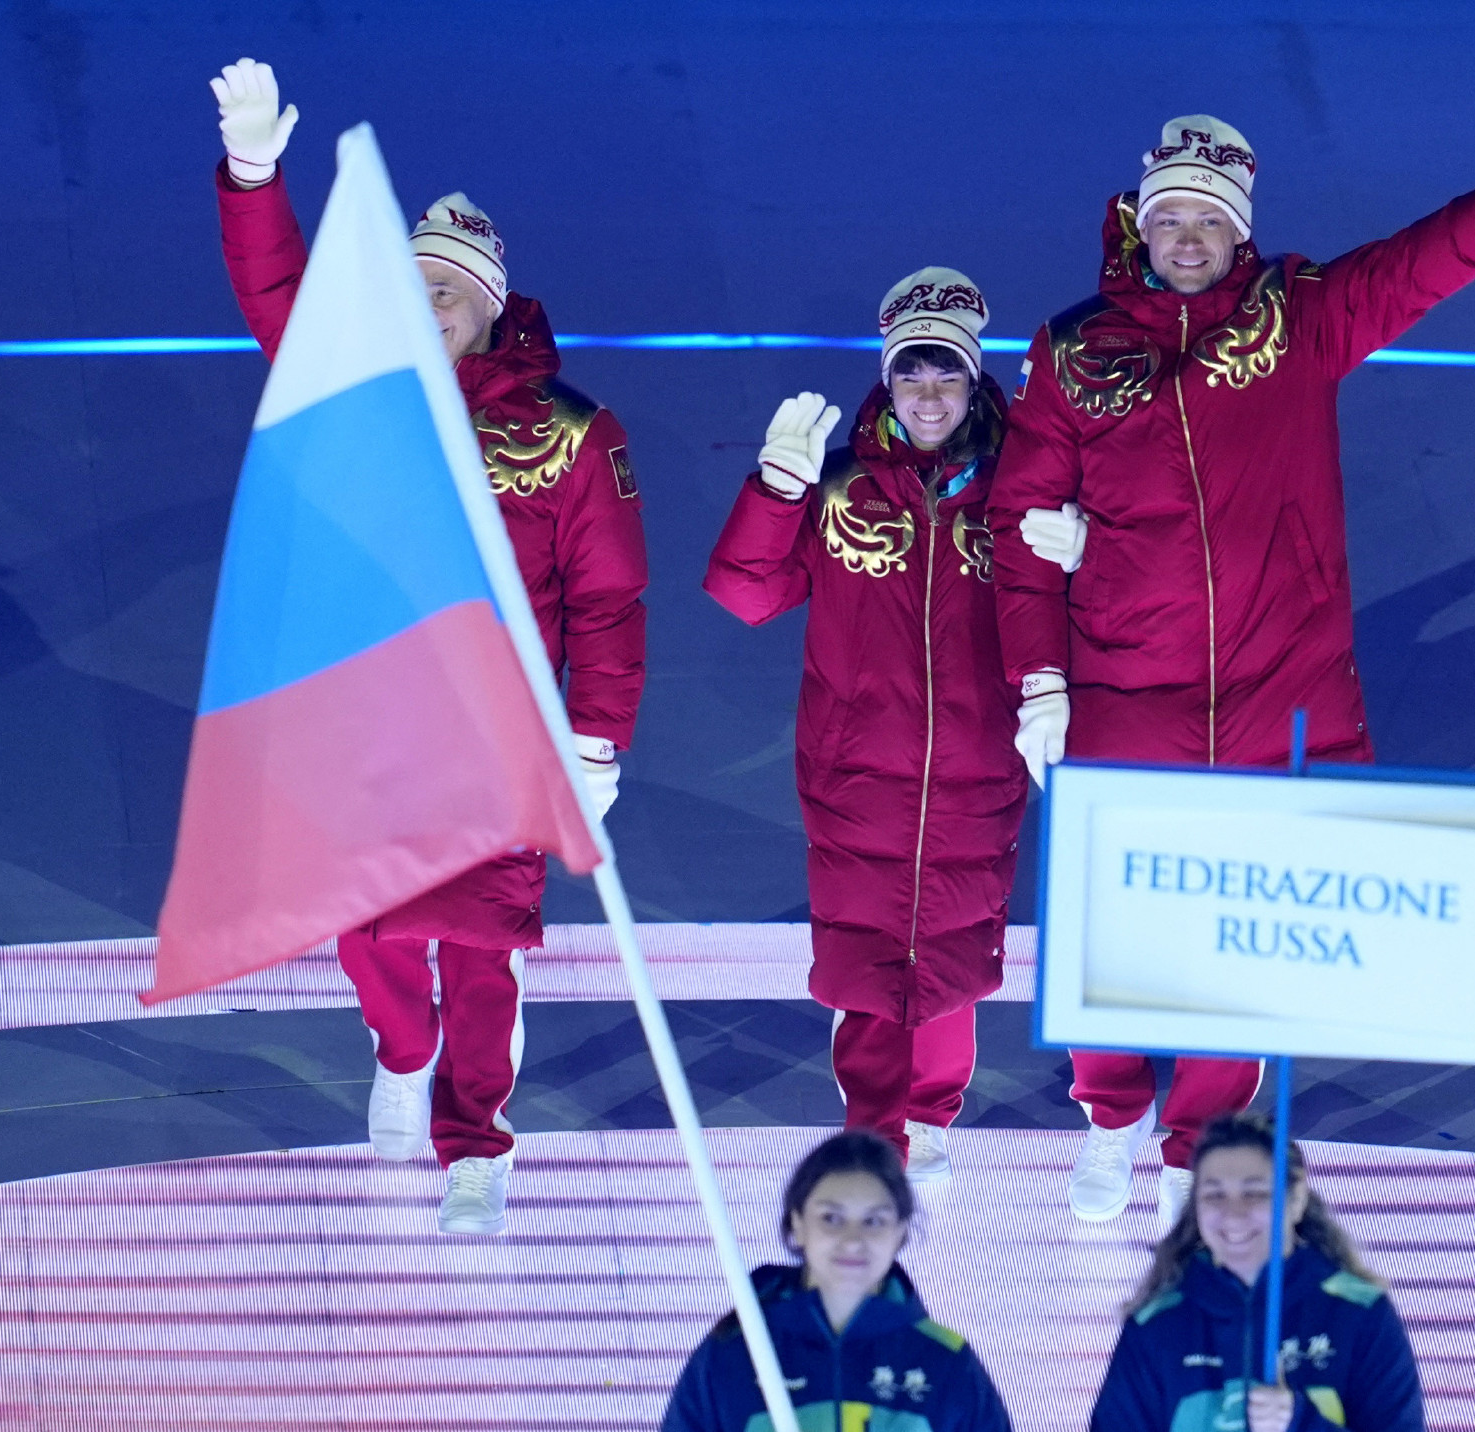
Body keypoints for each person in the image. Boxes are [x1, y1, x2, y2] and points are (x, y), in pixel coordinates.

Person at [988, 112, 1475, 1231]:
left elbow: (1415, 266)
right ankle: (1111, 1113)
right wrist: (1040, 681)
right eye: (1169, 217)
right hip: (1123, 685)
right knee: (1112, 919)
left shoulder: (1293, 317)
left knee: (1239, 934)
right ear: (1139, 224)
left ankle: (1198, 1144)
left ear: (1237, 232)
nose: (1187, 236)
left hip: (1276, 686)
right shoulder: (1071, 353)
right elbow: (1017, 524)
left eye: (1208, 220)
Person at [207, 59, 649, 1235]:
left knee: (481, 949)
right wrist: (253, 172)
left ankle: (476, 1143)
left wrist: (595, 741)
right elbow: (274, 290)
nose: (426, 302)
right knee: (369, 936)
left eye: (447, 289)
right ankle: (401, 1052)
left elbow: (608, 600)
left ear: (491, 305)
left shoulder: (570, 435)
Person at [704, 270, 1026, 1185]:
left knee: (956, 947)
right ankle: (874, 1128)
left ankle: (932, 1114)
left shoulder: (1018, 487)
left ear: (973, 381)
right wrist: (776, 491)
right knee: (866, 956)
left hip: (977, 765)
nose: (928, 395)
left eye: (946, 373)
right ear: (887, 381)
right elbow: (745, 594)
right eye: (910, 374)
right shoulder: (838, 485)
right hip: (856, 772)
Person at [1090, 1114, 1424, 1432]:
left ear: (1296, 1200)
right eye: (1215, 1195)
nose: (1233, 1215)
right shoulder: (1158, 1324)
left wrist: (1299, 1423)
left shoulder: (1359, 1313)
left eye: (1255, 1193)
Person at [663, 1130, 1012, 1431]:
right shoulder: (735, 1353)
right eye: (831, 1218)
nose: (852, 1240)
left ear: (900, 1233)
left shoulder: (945, 1362)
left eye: (873, 1221)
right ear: (798, 1224)